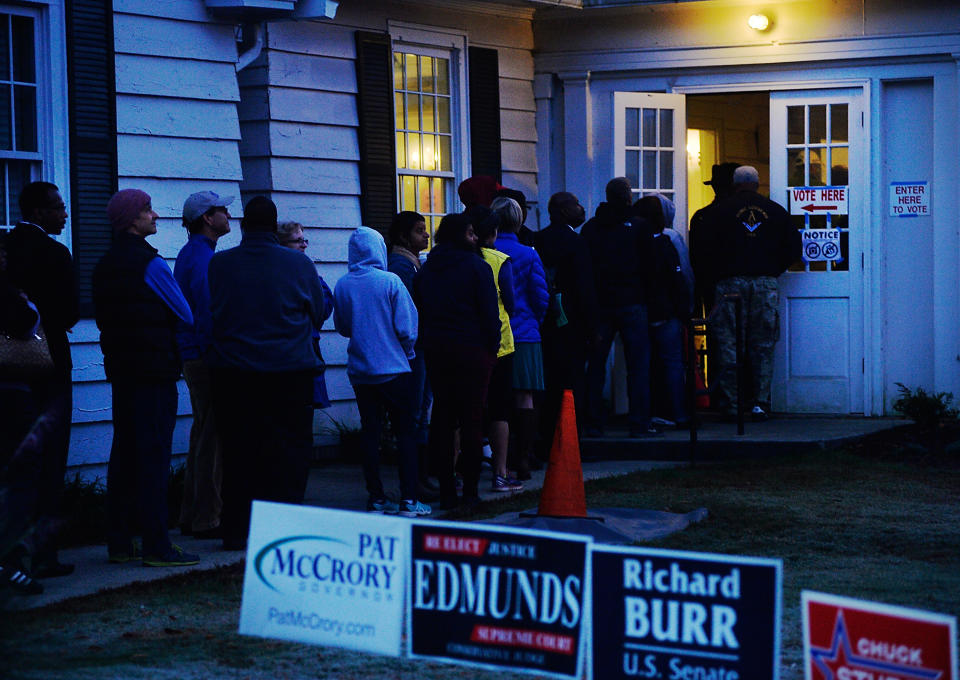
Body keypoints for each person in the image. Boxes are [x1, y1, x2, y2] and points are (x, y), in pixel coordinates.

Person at [207, 197, 328, 550]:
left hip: (233, 370)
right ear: (274, 227)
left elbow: (213, 310)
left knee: (238, 449)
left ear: (244, 225)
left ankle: (236, 529)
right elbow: (317, 312)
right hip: (288, 369)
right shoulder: (298, 264)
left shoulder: (220, 264)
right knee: (289, 451)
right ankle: (284, 527)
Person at [93, 188, 199, 567]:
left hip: (121, 371)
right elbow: (185, 313)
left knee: (124, 453)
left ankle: (119, 540)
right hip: (154, 371)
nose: (155, 216)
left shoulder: (103, 264)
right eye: (147, 211)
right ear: (131, 219)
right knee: (154, 457)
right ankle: (157, 545)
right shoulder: (151, 264)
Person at [2, 181, 78, 578]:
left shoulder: (7, 249)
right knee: (50, 458)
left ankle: (12, 554)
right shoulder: (54, 253)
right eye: (58, 207)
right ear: (38, 212)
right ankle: (44, 554)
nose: (65, 213)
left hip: (9, 370)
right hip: (48, 364)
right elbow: (66, 315)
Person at [334, 227, 430, 517]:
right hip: (394, 369)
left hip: (361, 371)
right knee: (405, 434)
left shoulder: (343, 284)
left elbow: (342, 327)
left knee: (370, 435)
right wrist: (408, 352)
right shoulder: (390, 281)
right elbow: (406, 327)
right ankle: (409, 500)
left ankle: (375, 498)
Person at [414, 213, 499, 510]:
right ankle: (471, 490)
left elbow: (421, 309)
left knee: (443, 419)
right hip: (473, 350)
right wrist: (492, 348)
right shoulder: (478, 267)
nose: (476, 238)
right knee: (472, 419)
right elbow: (490, 314)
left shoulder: (427, 270)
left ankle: (447, 489)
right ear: (464, 235)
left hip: (438, 350)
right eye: (472, 232)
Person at [705, 165, 801, 420]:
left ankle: (732, 402)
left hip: (729, 284)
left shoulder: (718, 211)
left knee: (728, 343)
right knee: (763, 344)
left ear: (734, 184)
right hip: (764, 282)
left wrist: (719, 273)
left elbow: (704, 250)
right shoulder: (776, 211)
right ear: (758, 184)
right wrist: (771, 270)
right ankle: (760, 401)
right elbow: (793, 249)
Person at [174, 191, 233, 541]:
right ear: (207, 219)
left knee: (202, 434)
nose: (228, 214)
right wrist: (219, 352)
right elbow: (207, 312)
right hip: (206, 355)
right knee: (213, 437)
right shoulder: (204, 259)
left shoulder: (191, 254)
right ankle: (208, 517)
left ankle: (191, 512)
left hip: (193, 353)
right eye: (222, 210)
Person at [580, 177, 658, 438]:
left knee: (596, 364)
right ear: (628, 197)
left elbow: (586, 269)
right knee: (638, 364)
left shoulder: (591, 228)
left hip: (601, 303)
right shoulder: (639, 227)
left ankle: (593, 421)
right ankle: (639, 421)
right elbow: (650, 267)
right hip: (633, 301)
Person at [534, 191, 597, 457]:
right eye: (576, 205)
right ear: (562, 211)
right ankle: (571, 442)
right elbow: (585, 289)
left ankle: (547, 439)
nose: (581, 209)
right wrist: (592, 327)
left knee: (548, 384)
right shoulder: (576, 242)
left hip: (545, 323)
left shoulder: (539, 240)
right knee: (572, 385)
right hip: (572, 324)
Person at [491, 196, 549, 478]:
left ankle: (498, 459)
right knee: (525, 396)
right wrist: (534, 321)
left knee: (495, 398)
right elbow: (541, 297)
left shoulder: (484, 252)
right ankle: (522, 458)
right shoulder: (528, 253)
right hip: (525, 333)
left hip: (492, 334)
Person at [468, 206, 522, 492]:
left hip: (465, 343)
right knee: (500, 410)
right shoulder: (500, 261)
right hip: (499, 343)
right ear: (494, 233)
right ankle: (500, 473)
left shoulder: (456, 260)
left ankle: (458, 472)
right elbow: (511, 305)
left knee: (464, 411)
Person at [386, 211, 437, 500]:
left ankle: (423, 475)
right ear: (404, 236)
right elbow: (408, 310)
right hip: (412, 350)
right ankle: (416, 478)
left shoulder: (414, 263)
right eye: (420, 231)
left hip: (421, 346)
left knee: (421, 411)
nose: (426, 235)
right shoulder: (401, 267)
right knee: (415, 411)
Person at [634, 194, 690, 428]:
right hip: (666, 310)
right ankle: (679, 412)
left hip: (640, 309)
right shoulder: (668, 242)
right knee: (673, 362)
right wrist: (684, 307)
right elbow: (680, 277)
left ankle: (645, 413)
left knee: (642, 364)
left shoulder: (633, 244)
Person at [277, 221, 334, 410]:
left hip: (306, 348)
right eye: (298, 241)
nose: (304, 245)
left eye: (304, 240)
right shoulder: (290, 273)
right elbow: (322, 307)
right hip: (296, 351)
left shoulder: (307, 270)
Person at [689, 162, 739, 314]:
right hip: (738, 279)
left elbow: (695, 258)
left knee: (717, 332)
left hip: (710, 282)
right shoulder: (742, 214)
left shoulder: (701, 216)